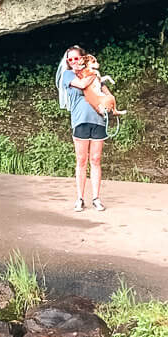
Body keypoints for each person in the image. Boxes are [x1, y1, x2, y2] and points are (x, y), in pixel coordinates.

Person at [56, 45, 107, 212]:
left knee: (96, 159)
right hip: (80, 121)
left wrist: (107, 104)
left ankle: (96, 198)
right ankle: (80, 198)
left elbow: (105, 93)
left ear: (83, 58)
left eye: (76, 58)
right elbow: (83, 84)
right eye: (70, 60)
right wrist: (94, 74)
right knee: (81, 160)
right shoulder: (68, 74)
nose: (73, 62)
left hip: (98, 120)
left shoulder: (93, 74)